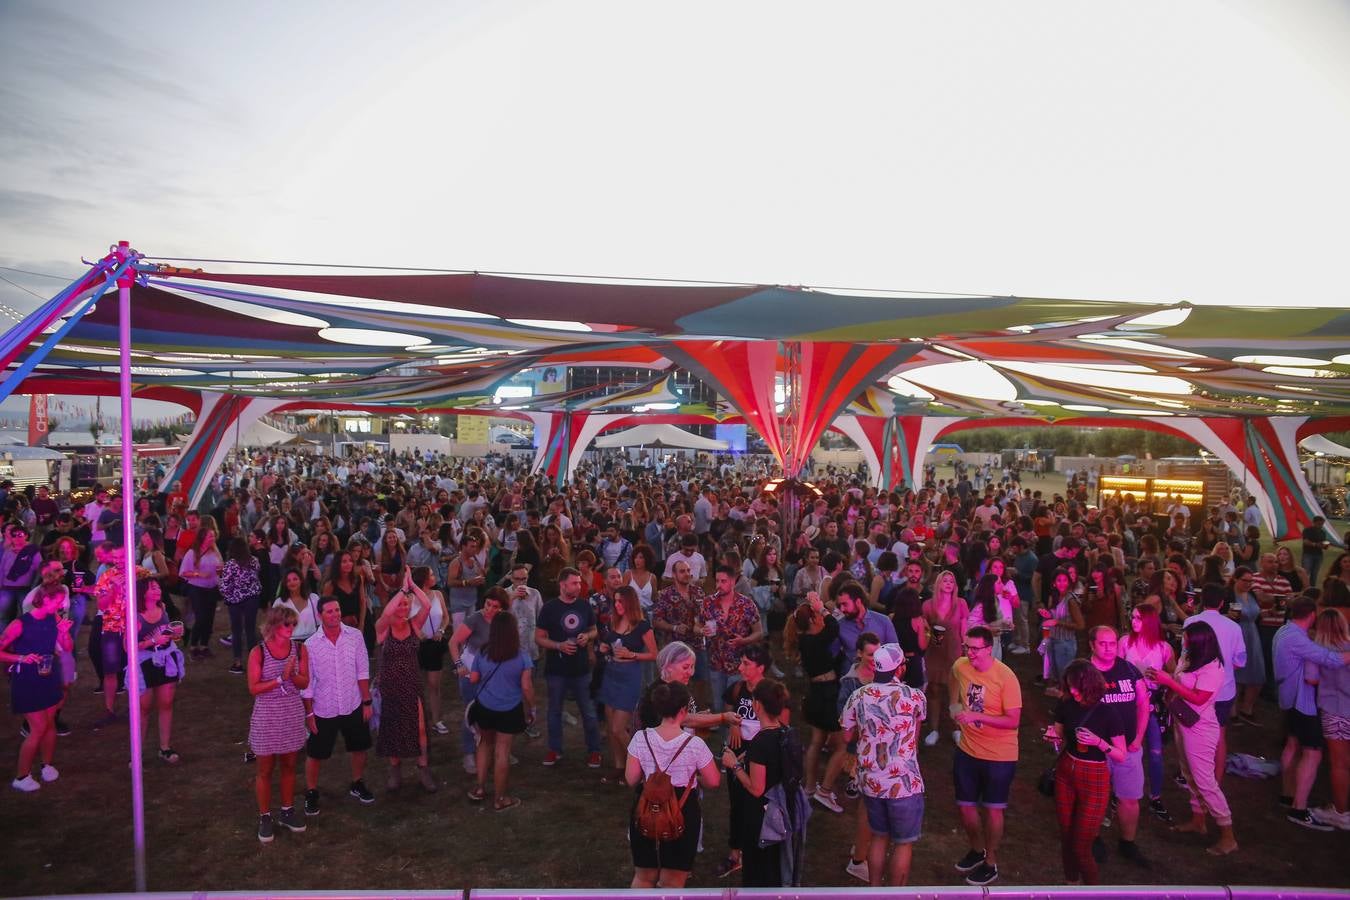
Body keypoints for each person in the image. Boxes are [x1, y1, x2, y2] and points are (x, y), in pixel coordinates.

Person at [839, 643, 926, 887]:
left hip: (871, 781)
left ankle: (874, 891)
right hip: (903, 782)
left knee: (878, 837)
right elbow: (915, 738)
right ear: (899, 669)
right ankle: (896, 894)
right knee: (903, 843)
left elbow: (846, 736)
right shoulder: (915, 697)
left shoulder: (858, 696)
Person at [1148, 621, 1237, 854]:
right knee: (1189, 774)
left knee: (1205, 781)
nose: (1183, 641)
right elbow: (1180, 682)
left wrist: (1168, 682)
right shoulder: (1188, 657)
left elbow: (1198, 698)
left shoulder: (1214, 668)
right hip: (1183, 721)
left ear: (1200, 643)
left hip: (1200, 728)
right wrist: (1164, 677)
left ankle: (1227, 834)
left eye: (1187, 638)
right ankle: (1199, 820)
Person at [625, 680, 720, 889]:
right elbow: (713, 781)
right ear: (684, 710)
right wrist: (696, 777)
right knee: (673, 881)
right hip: (683, 811)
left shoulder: (640, 738)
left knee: (643, 877)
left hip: (646, 809)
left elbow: (631, 779)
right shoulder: (695, 745)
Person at [950, 624, 1022, 886]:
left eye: (975, 649)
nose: (970, 653)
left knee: (993, 810)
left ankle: (991, 862)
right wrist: (954, 704)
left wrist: (975, 716)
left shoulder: (1006, 677)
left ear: (989, 649)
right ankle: (977, 849)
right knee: (965, 807)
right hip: (968, 751)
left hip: (999, 756)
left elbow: (1013, 720)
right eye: (967, 647)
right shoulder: (961, 666)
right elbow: (953, 676)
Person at [1272, 597, 1350, 830]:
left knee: (1293, 745)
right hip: (1303, 704)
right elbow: (1329, 661)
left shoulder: (1284, 631)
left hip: (1291, 700)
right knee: (1313, 754)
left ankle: (1288, 795)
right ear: (1312, 614)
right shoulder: (1301, 640)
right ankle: (1299, 807)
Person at [1047, 659, 1127, 885]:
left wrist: (1099, 743)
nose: (1072, 691)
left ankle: (1092, 891)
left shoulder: (1108, 713)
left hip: (1094, 779)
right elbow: (1060, 734)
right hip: (1066, 772)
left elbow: (1121, 754)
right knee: (1066, 836)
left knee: (1081, 846)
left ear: (1089, 685)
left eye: (1076, 686)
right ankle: (1071, 885)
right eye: (1069, 686)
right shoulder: (1066, 704)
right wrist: (1053, 737)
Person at [719, 679, 805, 887]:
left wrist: (734, 765)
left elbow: (756, 788)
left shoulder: (760, 742)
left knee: (759, 874)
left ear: (757, 705)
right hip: (785, 813)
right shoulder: (786, 733)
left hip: (762, 819)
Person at [301, 596, 376, 813]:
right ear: (319, 615)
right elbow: (307, 685)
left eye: (337, 610)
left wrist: (366, 701)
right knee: (316, 754)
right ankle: (312, 791)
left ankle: (357, 782)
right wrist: (309, 714)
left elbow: (362, 671)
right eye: (329, 611)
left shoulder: (355, 636)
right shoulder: (311, 645)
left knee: (360, 746)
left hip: (353, 703)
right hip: (324, 708)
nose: (334, 615)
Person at [1085, 625, 1151, 866]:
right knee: (1095, 797)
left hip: (1128, 749)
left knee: (1129, 797)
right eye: (1103, 643)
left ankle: (1128, 842)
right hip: (1095, 750)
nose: (1108, 648)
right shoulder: (1084, 672)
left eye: (1112, 643)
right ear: (1092, 644)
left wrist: (1138, 738)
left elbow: (1144, 705)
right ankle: (1093, 839)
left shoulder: (1130, 671)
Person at [1, 580, 73, 791]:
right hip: (27, 679)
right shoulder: (20, 624)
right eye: (58, 602)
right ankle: (21, 777)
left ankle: (47, 766)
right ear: (45, 599)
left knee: (50, 723)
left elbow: (66, 648)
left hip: (49, 675)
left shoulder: (55, 618)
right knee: (38, 728)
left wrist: (63, 632)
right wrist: (21, 658)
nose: (61, 606)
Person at [247, 606, 310, 842]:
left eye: (294, 625)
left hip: (291, 712)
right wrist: (279, 679)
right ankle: (264, 816)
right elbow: (253, 688)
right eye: (287, 625)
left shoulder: (300, 650)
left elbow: (304, 682)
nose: (291, 629)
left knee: (289, 765)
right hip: (267, 714)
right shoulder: (258, 652)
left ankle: (287, 810)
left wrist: (292, 675)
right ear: (273, 625)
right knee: (264, 769)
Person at [374, 567, 437, 793]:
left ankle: (423, 768)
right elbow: (386, 613)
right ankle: (395, 769)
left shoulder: (413, 625)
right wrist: (402, 590)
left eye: (406, 605)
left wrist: (411, 585)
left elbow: (427, 605)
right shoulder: (383, 628)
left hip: (411, 683)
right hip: (391, 685)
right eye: (400, 604)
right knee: (393, 727)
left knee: (419, 727)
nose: (403, 608)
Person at [713, 643, 772, 879]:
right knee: (737, 805)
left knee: (758, 804)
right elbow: (728, 715)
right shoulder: (737, 688)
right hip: (736, 752)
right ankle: (735, 853)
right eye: (741, 662)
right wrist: (733, 725)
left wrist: (754, 748)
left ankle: (756, 850)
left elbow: (781, 726)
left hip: (761, 756)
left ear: (761, 667)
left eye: (747, 663)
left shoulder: (771, 692)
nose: (741, 667)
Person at [466, 611, 536, 811]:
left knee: (484, 744)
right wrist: (533, 708)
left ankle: (479, 788)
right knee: (502, 753)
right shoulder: (522, 655)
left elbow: (474, 678)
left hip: (484, 706)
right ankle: (500, 798)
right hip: (509, 709)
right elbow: (526, 687)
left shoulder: (483, 652)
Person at [535, 567, 603, 768]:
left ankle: (594, 750)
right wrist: (558, 645)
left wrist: (587, 637)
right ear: (562, 584)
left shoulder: (584, 606)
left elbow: (594, 630)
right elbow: (538, 637)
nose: (579, 586)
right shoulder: (549, 608)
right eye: (575, 583)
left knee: (588, 711)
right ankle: (555, 749)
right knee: (554, 710)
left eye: (579, 582)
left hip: (581, 669)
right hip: (556, 669)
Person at [1118, 603, 1177, 823]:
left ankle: (1156, 797)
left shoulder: (1163, 648)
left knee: (1155, 752)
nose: (1134, 621)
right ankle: (1121, 793)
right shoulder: (1125, 643)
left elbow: (1174, 676)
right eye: (1132, 617)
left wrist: (1162, 678)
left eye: (1139, 618)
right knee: (1124, 748)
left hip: (1153, 704)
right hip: (1128, 703)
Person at [1184, 582, 1246, 783]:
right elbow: (1240, 661)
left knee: (1192, 735)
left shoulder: (1190, 622)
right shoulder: (1234, 627)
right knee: (1219, 735)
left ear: (1202, 601)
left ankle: (1193, 777)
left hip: (1195, 689)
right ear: (1221, 603)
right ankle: (1216, 780)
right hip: (1224, 690)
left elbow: (1186, 656)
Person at [596, 585, 657, 778]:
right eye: (615, 601)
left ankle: (644, 763)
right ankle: (619, 767)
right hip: (611, 673)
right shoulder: (615, 621)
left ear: (630, 602)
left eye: (621, 601)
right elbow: (610, 642)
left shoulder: (642, 625)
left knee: (618, 728)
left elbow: (654, 654)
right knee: (611, 726)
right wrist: (604, 647)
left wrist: (633, 655)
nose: (617, 605)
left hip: (629, 675)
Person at [449, 586, 511, 773]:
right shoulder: (475, 619)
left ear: (501, 609)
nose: (489, 609)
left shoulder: (504, 622)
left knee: (494, 711)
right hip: (471, 672)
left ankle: (496, 750)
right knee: (472, 712)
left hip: (493, 673)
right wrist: (459, 664)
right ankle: (469, 753)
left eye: (494, 606)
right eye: (487, 604)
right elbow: (453, 642)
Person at [793, 596, 843, 811]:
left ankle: (810, 787)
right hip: (827, 694)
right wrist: (821, 608)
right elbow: (834, 627)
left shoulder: (804, 641)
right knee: (841, 744)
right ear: (813, 620)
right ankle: (824, 791)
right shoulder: (815, 639)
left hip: (815, 694)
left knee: (816, 741)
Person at [131, 578, 186, 764]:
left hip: (165, 659)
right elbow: (127, 646)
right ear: (143, 592)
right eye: (152, 588)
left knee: (166, 704)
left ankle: (165, 747)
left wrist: (173, 634)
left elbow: (165, 632)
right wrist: (153, 642)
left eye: (158, 587)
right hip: (144, 663)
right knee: (143, 709)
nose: (158, 590)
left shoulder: (162, 607)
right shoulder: (135, 616)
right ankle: (137, 752)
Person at [700, 565, 765, 712]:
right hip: (715, 662)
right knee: (718, 705)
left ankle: (732, 734)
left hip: (738, 665)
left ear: (733, 582)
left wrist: (744, 640)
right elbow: (696, 625)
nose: (719, 586)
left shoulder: (746, 604)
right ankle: (722, 730)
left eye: (723, 581)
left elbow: (759, 632)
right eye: (717, 581)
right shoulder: (708, 603)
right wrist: (701, 630)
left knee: (735, 707)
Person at [1307, 608, 1350, 830]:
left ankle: (1341, 812)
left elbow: (1311, 679)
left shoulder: (1318, 651)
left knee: (1340, 765)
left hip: (1335, 711)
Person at [922, 569, 969, 746]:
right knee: (934, 690)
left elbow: (964, 629)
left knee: (955, 693)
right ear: (938, 584)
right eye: (945, 580)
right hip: (934, 652)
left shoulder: (962, 603)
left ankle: (956, 728)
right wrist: (930, 635)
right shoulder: (928, 605)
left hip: (955, 652)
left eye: (951, 581)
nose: (948, 583)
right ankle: (934, 730)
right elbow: (924, 628)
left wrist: (967, 651)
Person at [409, 565, 450, 735]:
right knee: (415, 685)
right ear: (424, 579)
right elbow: (406, 621)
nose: (434, 576)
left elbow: (446, 617)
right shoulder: (411, 597)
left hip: (434, 645)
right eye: (432, 574)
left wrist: (441, 631)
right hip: (416, 646)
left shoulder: (438, 595)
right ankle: (415, 720)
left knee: (434, 685)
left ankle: (436, 719)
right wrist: (418, 634)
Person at [1227, 567, 1266, 724]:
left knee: (1257, 673)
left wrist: (1269, 612)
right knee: (1236, 674)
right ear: (1236, 579)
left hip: (1252, 635)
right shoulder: (1229, 594)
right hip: (1236, 634)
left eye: (1251, 581)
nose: (1248, 584)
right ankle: (1232, 712)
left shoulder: (1252, 594)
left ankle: (1247, 708)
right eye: (1245, 580)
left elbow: (1254, 614)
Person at [219, 537, 262, 674]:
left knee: (236, 632)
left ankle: (237, 663)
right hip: (252, 599)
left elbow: (225, 585)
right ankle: (254, 662)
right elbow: (257, 577)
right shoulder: (254, 561)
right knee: (250, 630)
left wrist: (227, 596)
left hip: (235, 601)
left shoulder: (230, 564)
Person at [179, 527, 223, 660]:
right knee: (201, 617)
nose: (212, 539)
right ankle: (193, 646)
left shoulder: (215, 552)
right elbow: (183, 573)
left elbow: (219, 567)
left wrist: (221, 569)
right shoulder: (192, 553)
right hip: (197, 588)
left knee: (209, 618)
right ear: (202, 538)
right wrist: (199, 574)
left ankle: (204, 645)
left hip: (212, 588)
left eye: (213, 536)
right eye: (210, 536)